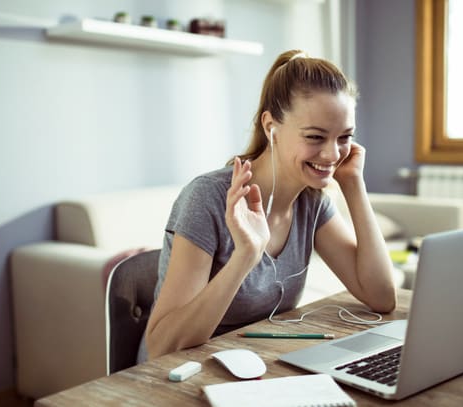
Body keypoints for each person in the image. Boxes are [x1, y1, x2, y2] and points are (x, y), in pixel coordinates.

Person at [140, 49, 396, 362]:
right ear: (270, 126)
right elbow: (161, 346)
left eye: (344, 137)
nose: (332, 154)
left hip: (255, 364)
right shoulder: (207, 198)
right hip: (178, 375)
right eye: (315, 137)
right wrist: (245, 255)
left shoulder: (311, 203)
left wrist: (354, 185)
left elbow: (382, 296)